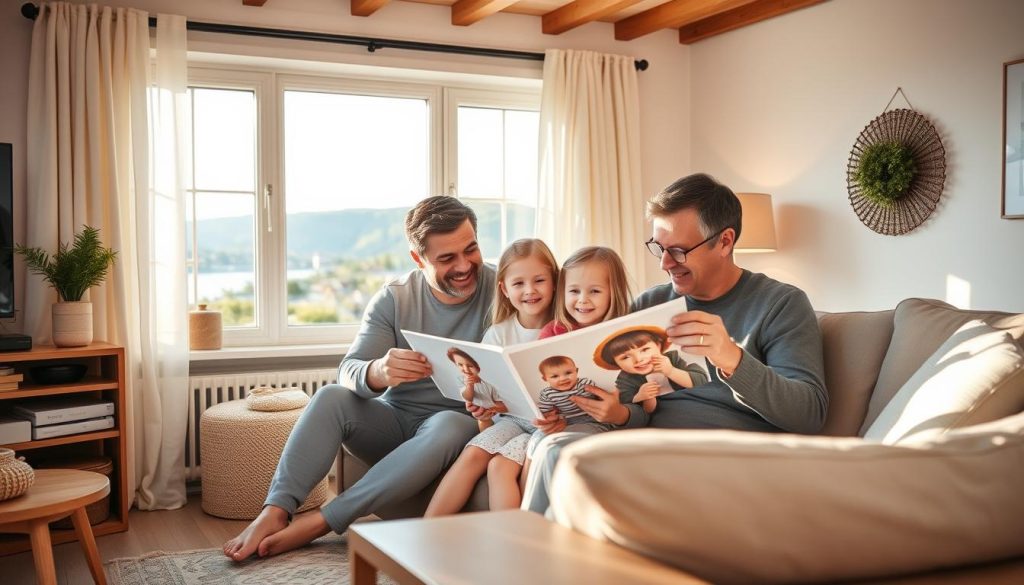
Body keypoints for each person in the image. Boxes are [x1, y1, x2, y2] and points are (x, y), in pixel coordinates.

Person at [522, 173, 828, 514]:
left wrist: (731, 358)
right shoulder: (652, 303)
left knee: (570, 475)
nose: (666, 264)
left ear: (725, 241)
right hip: (644, 445)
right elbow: (632, 406)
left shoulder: (780, 304)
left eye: (679, 251)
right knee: (556, 449)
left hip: (720, 456)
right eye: (659, 248)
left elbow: (808, 414)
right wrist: (581, 412)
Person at [224, 195, 495, 560]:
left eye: (471, 250)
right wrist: (379, 370)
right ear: (418, 259)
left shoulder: (503, 289)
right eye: (446, 258)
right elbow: (348, 370)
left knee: (450, 423)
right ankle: (274, 511)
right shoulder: (395, 299)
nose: (464, 266)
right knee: (331, 396)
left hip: (456, 432)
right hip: (396, 425)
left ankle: (323, 520)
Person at [425, 238, 558, 514]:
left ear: (554, 282)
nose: (530, 291)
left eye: (539, 281)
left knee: (501, 467)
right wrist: (480, 409)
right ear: (505, 289)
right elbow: (487, 403)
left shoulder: (562, 329)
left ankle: (508, 543)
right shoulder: (498, 333)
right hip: (510, 419)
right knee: (473, 453)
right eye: (519, 283)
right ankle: (429, 528)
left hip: (546, 425)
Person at [592, 326, 708, 413]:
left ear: (658, 346)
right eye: (625, 357)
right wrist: (641, 397)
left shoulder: (673, 359)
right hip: (664, 415)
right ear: (616, 363)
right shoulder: (625, 380)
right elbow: (637, 413)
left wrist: (671, 371)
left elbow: (700, 382)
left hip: (692, 403)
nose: (638, 359)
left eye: (644, 350)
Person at [447, 347, 507, 423]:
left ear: (479, 366)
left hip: (497, 411)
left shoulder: (488, 383)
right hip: (486, 415)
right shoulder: (462, 379)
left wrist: (495, 409)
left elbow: (500, 402)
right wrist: (469, 386)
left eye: (470, 366)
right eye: (460, 365)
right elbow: (468, 398)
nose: (466, 370)